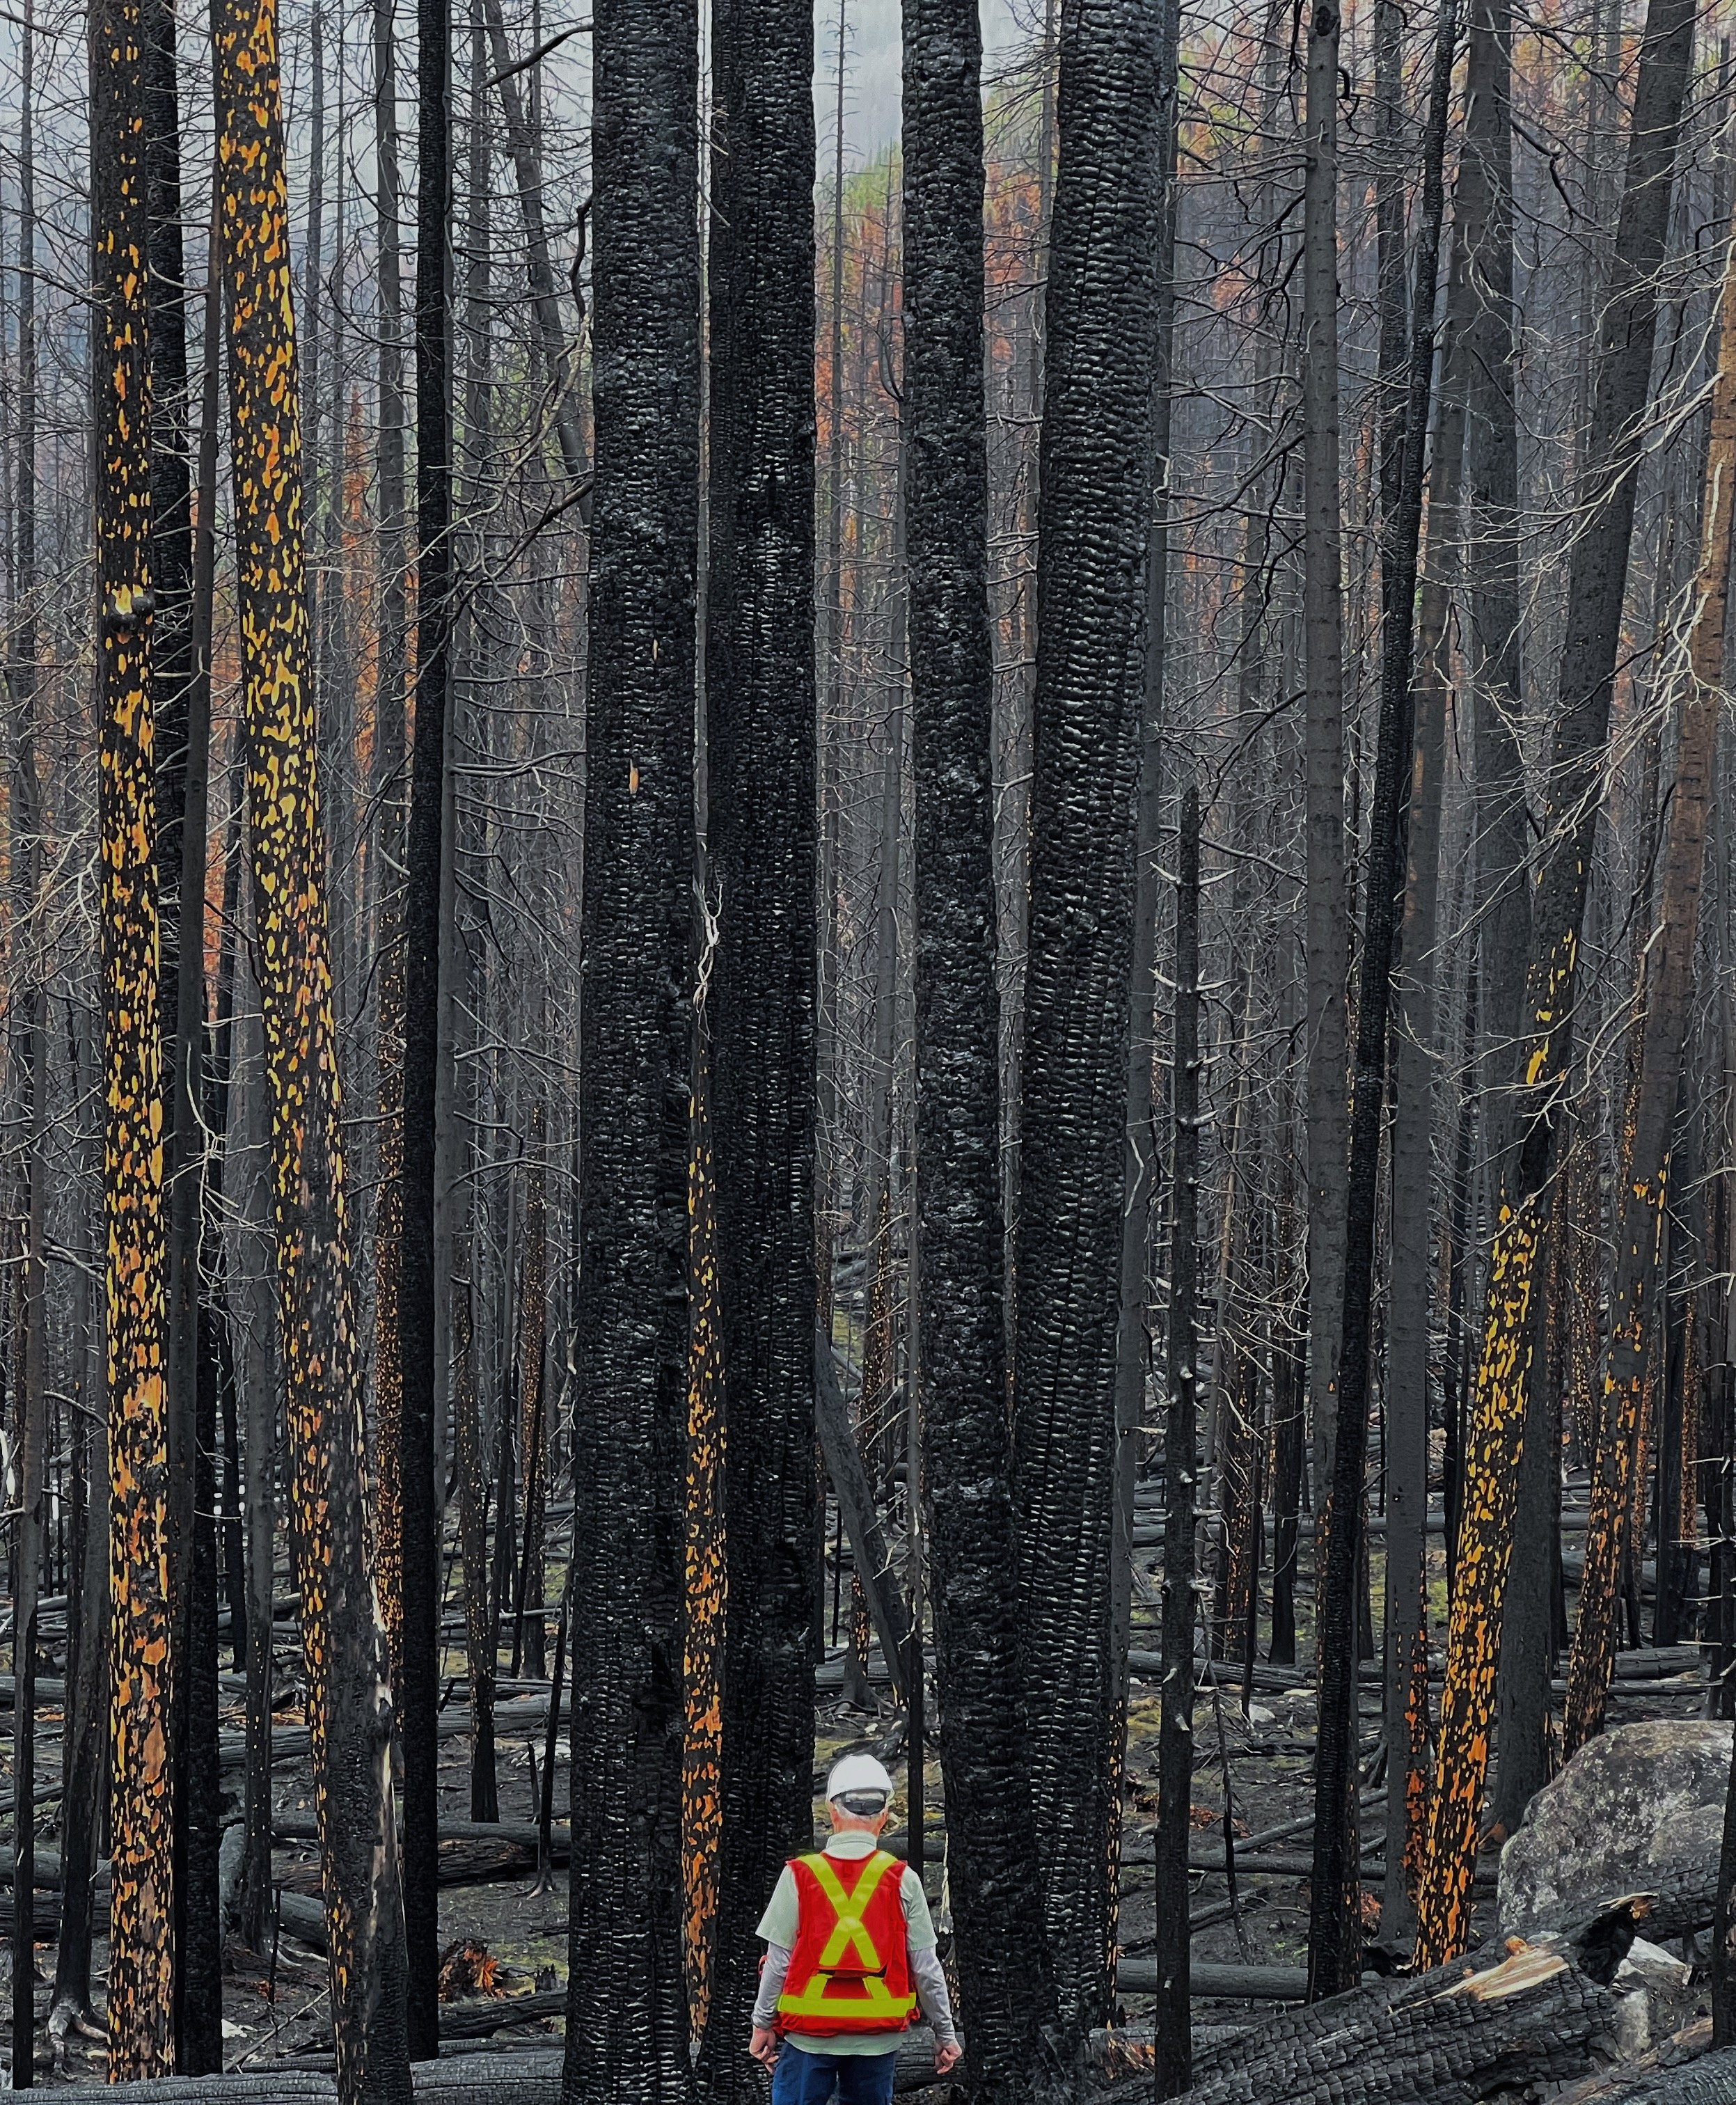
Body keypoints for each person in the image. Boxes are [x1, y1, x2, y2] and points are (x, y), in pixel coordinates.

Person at [749, 1753, 962, 2102]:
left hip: (808, 2035)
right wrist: (945, 2033)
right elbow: (926, 1968)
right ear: (884, 1816)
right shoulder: (903, 1879)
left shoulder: (799, 1876)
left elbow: (778, 1963)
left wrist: (762, 2023)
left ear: (832, 1811)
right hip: (877, 2038)